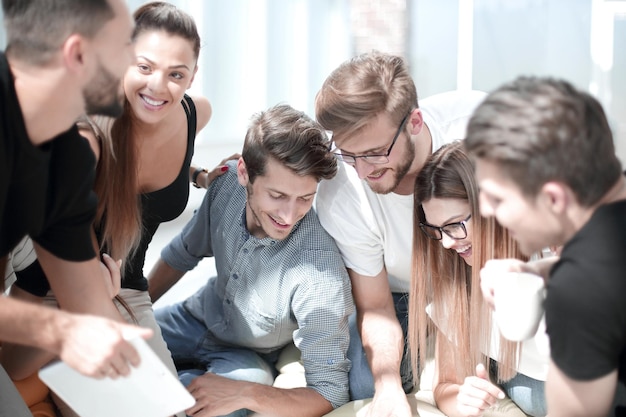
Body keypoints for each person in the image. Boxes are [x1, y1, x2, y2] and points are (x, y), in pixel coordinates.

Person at [3, 3, 221, 415]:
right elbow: (72, 290)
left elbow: (155, 161)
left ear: (192, 76)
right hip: (59, 283)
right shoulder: (81, 142)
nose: (158, 86)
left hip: (125, 286)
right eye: (141, 65)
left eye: (176, 74)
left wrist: (196, 174)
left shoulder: (194, 113)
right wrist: (86, 316)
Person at [148, 104, 354, 417]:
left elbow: (330, 392)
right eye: (277, 195)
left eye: (304, 199)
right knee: (104, 350)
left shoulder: (320, 271)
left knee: (228, 408)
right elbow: (183, 253)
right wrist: (128, 313)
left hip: (246, 354)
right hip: (194, 316)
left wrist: (248, 393)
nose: (289, 215)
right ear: (244, 173)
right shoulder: (226, 182)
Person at [0, 0, 154, 415]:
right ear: (78, 54)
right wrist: (61, 327)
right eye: (125, 45)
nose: (132, 62)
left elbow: (85, 299)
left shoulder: (66, 156)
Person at [314, 50, 486, 416]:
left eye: (375, 153)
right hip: (401, 294)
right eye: (349, 154)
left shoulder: (482, 125)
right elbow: (375, 305)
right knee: (364, 383)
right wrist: (388, 385)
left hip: (483, 273)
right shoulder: (342, 191)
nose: (362, 172)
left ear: (415, 122)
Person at [464, 76, 626, 417]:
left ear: (553, 197)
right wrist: (535, 269)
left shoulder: (579, 292)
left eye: (497, 198)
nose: (485, 211)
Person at [409, 141, 549, 417]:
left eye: (455, 224)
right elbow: (445, 385)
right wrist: (462, 400)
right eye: (436, 229)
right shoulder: (457, 277)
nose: (447, 243)